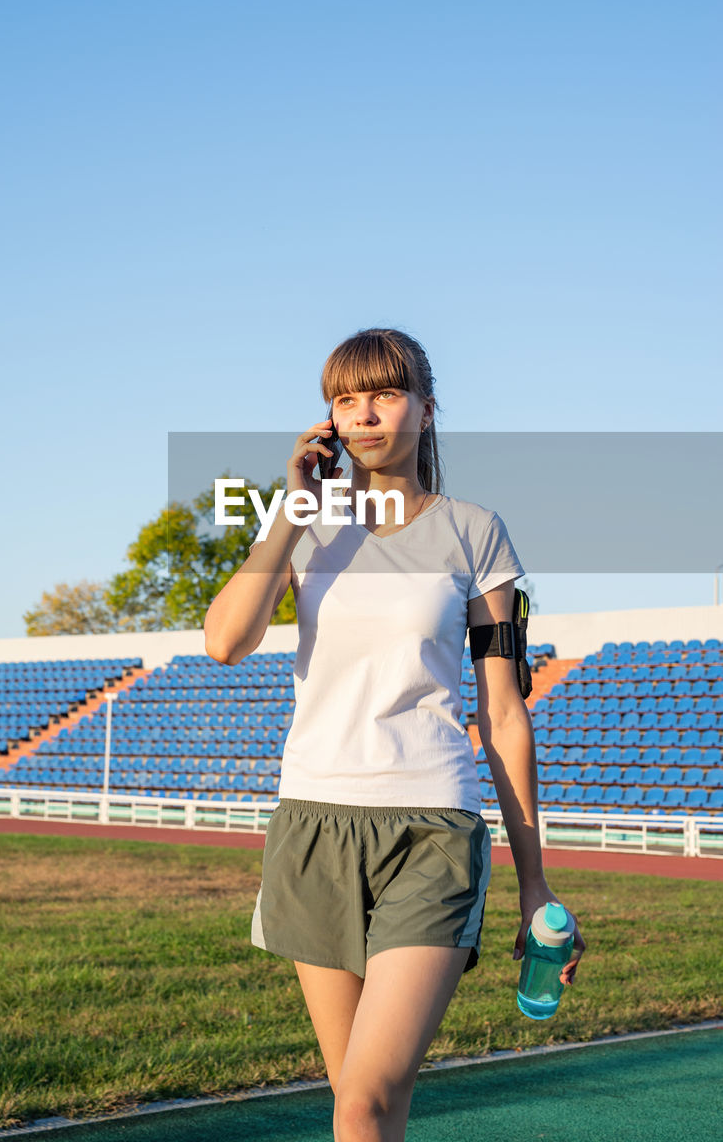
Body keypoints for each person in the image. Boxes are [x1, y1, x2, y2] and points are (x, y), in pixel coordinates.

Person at [204, 326, 585, 1142]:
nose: (365, 413)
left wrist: (535, 885)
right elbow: (225, 641)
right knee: (364, 1103)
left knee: (365, 1098)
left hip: (431, 830)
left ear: (426, 406)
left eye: (383, 392)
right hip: (311, 823)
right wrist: (290, 511)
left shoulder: (475, 532)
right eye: (346, 398)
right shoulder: (306, 524)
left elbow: (505, 713)